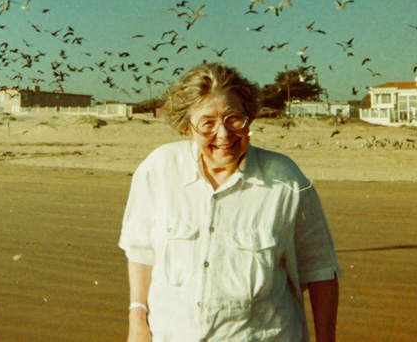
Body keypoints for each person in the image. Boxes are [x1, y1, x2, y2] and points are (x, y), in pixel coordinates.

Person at [119, 63, 340, 341]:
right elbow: (140, 252)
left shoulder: (286, 181)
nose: (223, 134)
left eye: (234, 119)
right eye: (207, 122)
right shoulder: (158, 170)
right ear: (188, 127)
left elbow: (321, 271)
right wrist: (137, 321)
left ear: (250, 118)